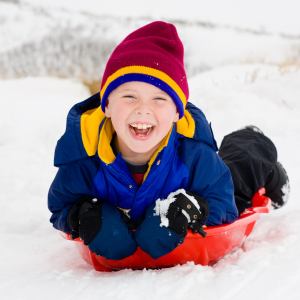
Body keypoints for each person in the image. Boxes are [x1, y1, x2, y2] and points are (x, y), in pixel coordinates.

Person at [48, 21, 289, 261]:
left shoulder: (193, 153)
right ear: (107, 105)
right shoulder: (85, 157)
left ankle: (258, 150)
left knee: (240, 169)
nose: (143, 109)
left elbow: (224, 206)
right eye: (129, 96)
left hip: (198, 185)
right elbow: (60, 206)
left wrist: (193, 209)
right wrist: (82, 215)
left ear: (177, 113)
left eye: (159, 99)